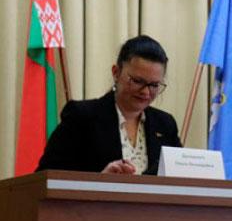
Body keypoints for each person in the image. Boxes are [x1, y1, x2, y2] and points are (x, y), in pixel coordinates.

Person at [37, 35, 182, 175]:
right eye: (137, 81)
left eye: (154, 85)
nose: (145, 92)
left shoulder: (165, 124)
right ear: (116, 73)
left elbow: (179, 177)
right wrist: (99, 180)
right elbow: (45, 177)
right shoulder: (81, 117)